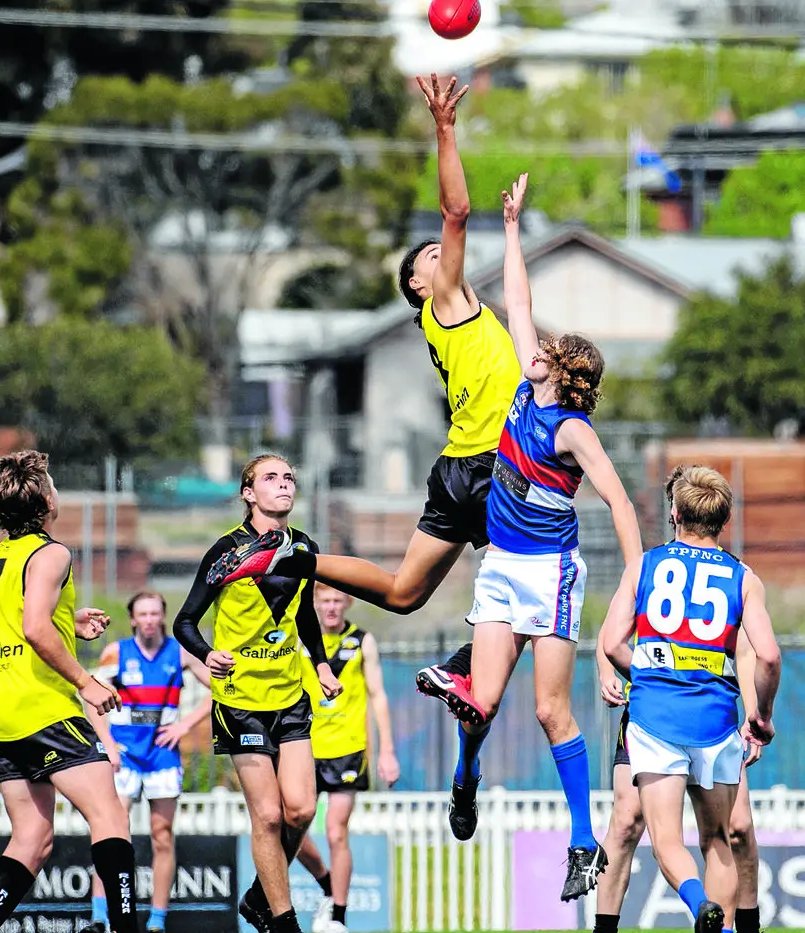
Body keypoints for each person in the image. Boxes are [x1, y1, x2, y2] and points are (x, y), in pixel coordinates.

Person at [202, 73, 521, 727]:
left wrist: (513, 231)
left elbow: (517, 296)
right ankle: (470, 670)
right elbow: (456, 211)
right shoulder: (448, 301)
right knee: (525, 588)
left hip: (459, 467)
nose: (444, 254)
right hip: (492, 466)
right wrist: (445, 128)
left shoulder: (461, 310)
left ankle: (298, 557)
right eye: (431, 256)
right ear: (418, 283)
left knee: (404, 593)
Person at [443, 172, 642, 904]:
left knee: (548, 709)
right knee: (480, 702)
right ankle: (466, 777)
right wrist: (514, 225)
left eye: (548, 351)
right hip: (500, 567)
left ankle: (583, 843)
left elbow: (621, 502)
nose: (534, 344)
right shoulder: (528, 389)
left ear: (565, 374)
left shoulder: (573, 429)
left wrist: (633, 577)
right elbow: (518, 300)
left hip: (552, 573)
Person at [598, 465, 781, 933]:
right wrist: (762, 715)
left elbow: (613, 641)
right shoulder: (744, 578)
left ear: (675, 513)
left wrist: (649, 674)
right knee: (718, 837)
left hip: (657, 718)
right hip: (717, 723)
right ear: (726, 518)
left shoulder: (645, 565)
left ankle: (700, 903)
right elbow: (769, 657)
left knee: (665, 841)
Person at [0, 449, 140, 933]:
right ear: (43, 498)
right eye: (53, 483)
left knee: (33, 838)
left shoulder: (0, 555)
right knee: (110, 816)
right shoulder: (52, 553)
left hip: (2, 715)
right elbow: (35, 629)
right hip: (45, 709)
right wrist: (86, 681)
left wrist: (70, 620)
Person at [172, 454, 343, 933]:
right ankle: (282, 920)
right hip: (240, 703)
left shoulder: (304, 546)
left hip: (290, 696)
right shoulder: (226, 552)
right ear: (249, 494)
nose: (284, 484)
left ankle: (257, 897)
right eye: (271, 478)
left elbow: (304, 613)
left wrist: (322, 664)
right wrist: (206, 655)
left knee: (302, 809)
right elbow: (183, 622)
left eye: (289, 477)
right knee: (268, 816)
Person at [593, 627, 767, 933]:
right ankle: (604, 930)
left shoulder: (734, 578)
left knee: (736, 829)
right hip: (650, 715)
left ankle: (745, 927)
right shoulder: (646, 576)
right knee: (625, 822)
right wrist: (609, 672)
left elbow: (747, 648)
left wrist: (753, 713)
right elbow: (611, 632)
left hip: (710, 713)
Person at [83, 592, 214, 933]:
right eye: (143, 613)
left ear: (163, 616)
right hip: (124, 755)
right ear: (133, 619)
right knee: (112, 833)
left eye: (155, 613)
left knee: (162, 835)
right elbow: (90, 699)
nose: (150, 620)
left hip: (162, 755)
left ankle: (157, 921)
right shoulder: (117, 652)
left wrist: (186, 724)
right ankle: (101, 917)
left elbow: (222, 690)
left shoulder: (180, 652)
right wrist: (108, 744)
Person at [293, 583, 401, 933]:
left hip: (348, 750)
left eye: (338, 600)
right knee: (290, 828)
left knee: (337, 831)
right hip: (304, 747)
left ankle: (338, 916)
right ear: (315, 603)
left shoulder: (362, 641)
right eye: (325, 600)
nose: (331, 607)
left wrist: (386, 750)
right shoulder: (300, 640)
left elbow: (379, 695)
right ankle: (326, 881)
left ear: (348, 603)